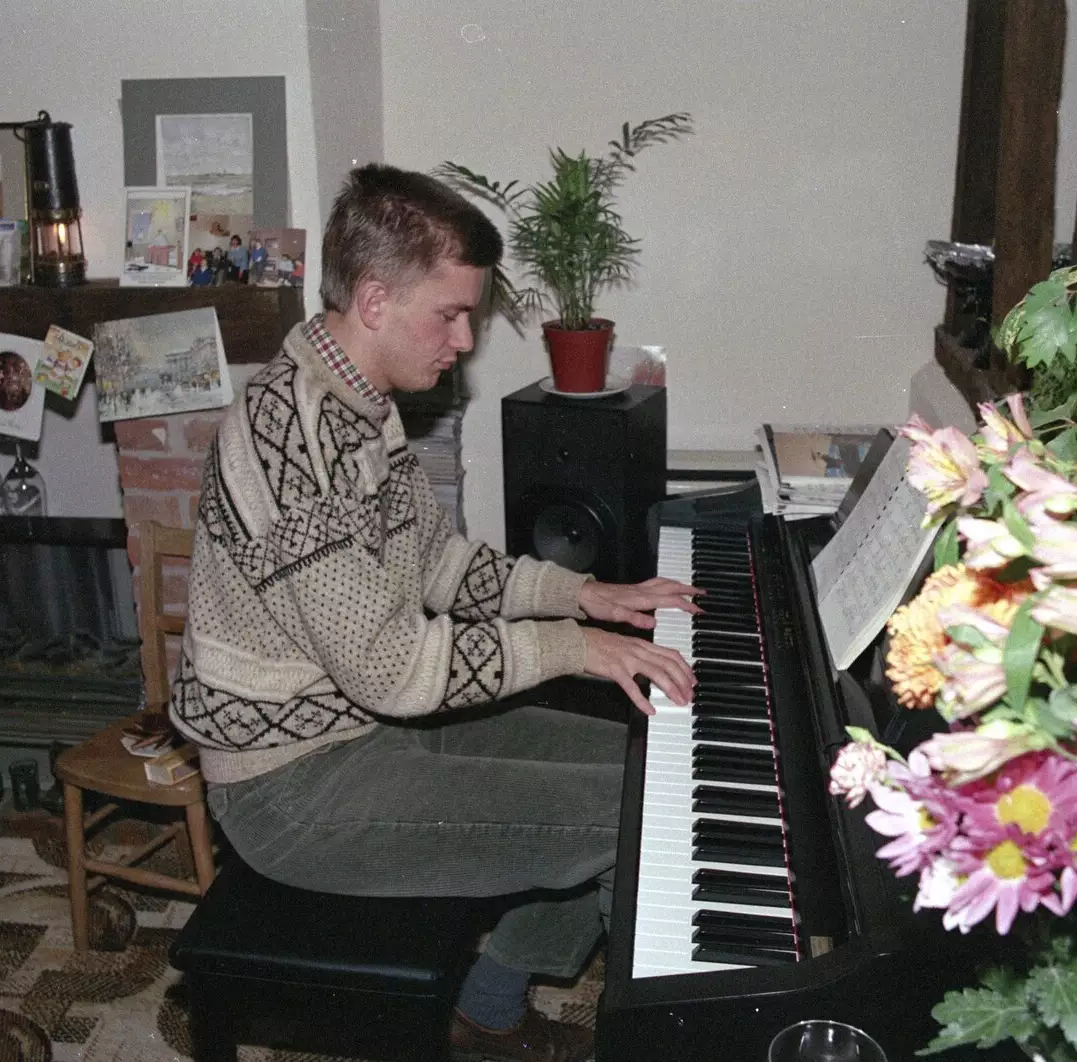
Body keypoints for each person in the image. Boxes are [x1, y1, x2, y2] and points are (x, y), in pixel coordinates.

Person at [170, 163, 698, 1062]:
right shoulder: (291, 435)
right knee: (637, 821)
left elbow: (434, 562)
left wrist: (583, 594)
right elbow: (395, 669)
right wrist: (572, 647)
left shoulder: (360, 402)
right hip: (292, 788)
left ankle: (487, 1006)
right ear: (374, 299)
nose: (465, 340)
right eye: (451, 314)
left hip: (364, 730)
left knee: (646, 772)